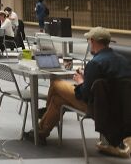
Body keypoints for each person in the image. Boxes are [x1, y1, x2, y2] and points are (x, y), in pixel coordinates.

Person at [28, 27, 131, 155]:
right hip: (117, 108)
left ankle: (43, 114)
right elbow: (107, 82)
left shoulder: (96, 63)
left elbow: (84, 95)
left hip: (96, 108)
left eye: (88, 40)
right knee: (58, 100)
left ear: (92, 41)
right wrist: (88, 75)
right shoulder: (122, 60)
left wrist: (81, 80)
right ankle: (40, 132)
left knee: (56, 84)